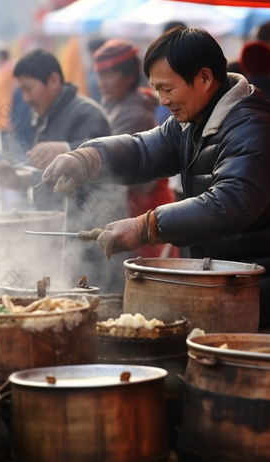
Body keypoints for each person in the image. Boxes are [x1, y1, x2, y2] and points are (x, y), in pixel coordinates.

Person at [41, 27, 270, 329]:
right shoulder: (193, 118)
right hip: (225, 283)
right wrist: (89, 157)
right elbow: (143, 150)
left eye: (168, 88)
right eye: (157, 89)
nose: (162, 100)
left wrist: (145, 227)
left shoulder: (251, 127)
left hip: (260, 292)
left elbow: (232, 202)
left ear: (204, 78)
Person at [0, 49, 126, 291]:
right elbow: (47, 175)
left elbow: (108, 161)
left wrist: (67, 149)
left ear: (53, 80)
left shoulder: (86, 113)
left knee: (90, 302)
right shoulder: (43, 115)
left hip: (88, 232)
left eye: (28, 88)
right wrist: (16, 179)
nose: (25, 98)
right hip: (58, 232)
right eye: (21, 90)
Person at [93, 38, 177, 258]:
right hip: (136, 210)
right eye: (100, 75)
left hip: (146, 210)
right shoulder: (117, 106)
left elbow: (125, 170)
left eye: (109, 74)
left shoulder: (135, 114)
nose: (102, 82)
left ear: (129, 76)